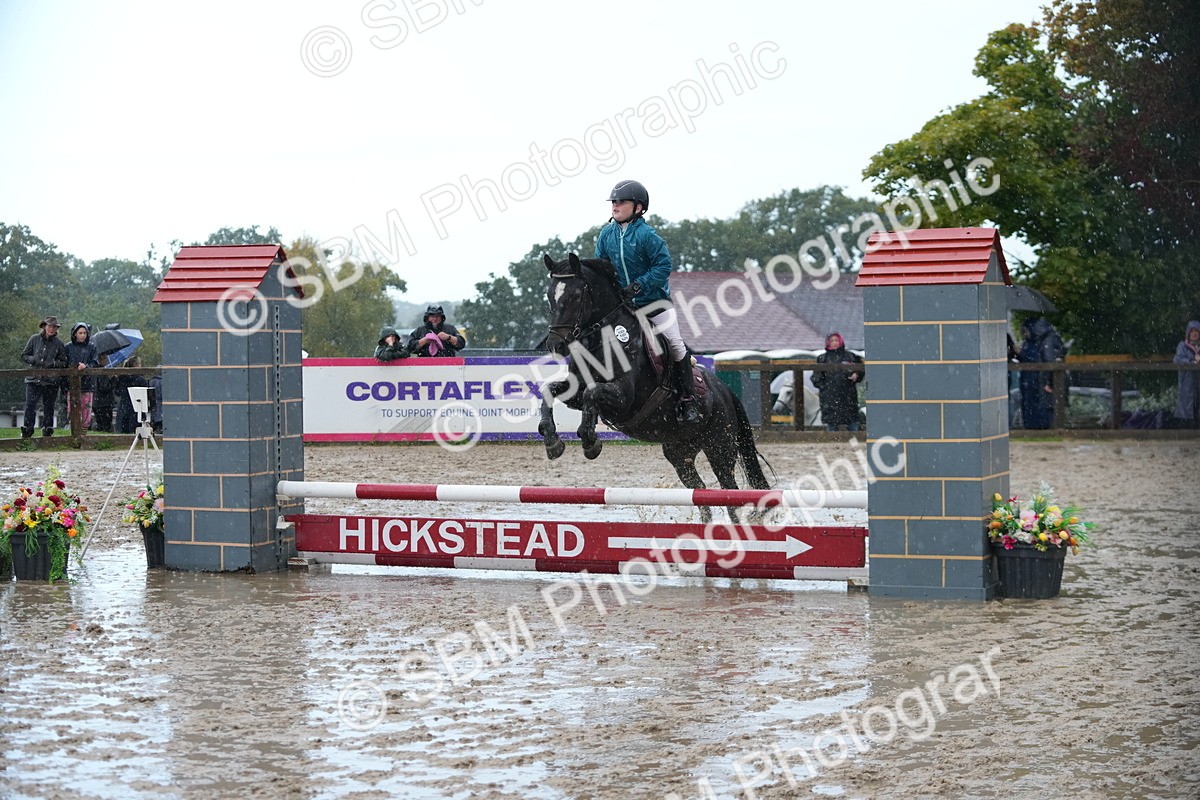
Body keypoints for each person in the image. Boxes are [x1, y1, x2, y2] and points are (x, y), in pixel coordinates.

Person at [594, 179, 699, 423]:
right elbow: (601, 267)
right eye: (614, 202)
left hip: (654, 303)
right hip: (624, 306)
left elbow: (664, 265)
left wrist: (640, 284)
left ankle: (687, 400)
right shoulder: (606, 235)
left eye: (621, 202)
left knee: (675, 344)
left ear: (638, 208)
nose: (615, 206)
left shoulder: (647, 235)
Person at [20, 316, 69, 438]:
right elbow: (24, 355)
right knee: (30, 404)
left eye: (54, 327)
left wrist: (52, 363)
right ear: (44, 326)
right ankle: (27, 428)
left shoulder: (59, 343)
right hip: (33, 378)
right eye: (49, 326)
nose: (51, 329)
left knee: (49, 406)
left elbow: (64, 362)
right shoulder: (34, 339)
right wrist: (33, 360)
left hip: (50, 380)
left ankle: (47, 429)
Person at [810, 332, 865, 432]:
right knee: (832, 425)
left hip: (848, 396)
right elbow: (816, 377)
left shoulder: (850, 356)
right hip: (830, 399)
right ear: (828, 343)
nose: (834, 343)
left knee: (852, 423)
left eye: (836, 340)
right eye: (832, 341)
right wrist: (826, 387)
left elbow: (861, 369)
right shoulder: (822, 358)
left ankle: (855, 444)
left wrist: (856, 375)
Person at [1017, 316, 1065, 429]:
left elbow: (1046, 359)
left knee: (1038, 405)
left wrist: (1048, 381)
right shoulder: (1034, 342)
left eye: (1025, 331)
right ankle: (1035, 426)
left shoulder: (1042, 342)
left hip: (1036, 380)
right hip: (1032, 380)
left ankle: (1038, 427)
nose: (1024, 334)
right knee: (1034, 404)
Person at [63, 322, 99, 431]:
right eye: (80, 333)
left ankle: (84, 431)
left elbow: (95, 363)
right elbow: (64, 364)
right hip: (72, 384)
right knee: (72, 410)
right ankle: (74, 432)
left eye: (84, 333)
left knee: (86, 410)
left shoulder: (92, 347)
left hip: (87, 384)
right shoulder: (68, 347)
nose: (83, 335)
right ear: (75, 334)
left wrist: (86, 366)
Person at [1173, 320, 1200, 427]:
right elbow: (1178, 359)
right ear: (1188, 333)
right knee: (1187, 408)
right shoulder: (1182, 346)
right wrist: (1193, 361)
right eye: (1192, 331)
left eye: (1197, 331)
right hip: (1187, 382)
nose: (1194, 333)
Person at [115, 355, 149, 434]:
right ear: (136, 365)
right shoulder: (140, 379)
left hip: (124, 406)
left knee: (123, 429)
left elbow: (117, 392)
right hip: (137, 406)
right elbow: (146, 394)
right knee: (135, 429)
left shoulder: (122, 378)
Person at [92, 353, 117, 433]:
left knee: (100, 423)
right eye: (105, 359)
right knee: (106, 425)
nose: (107, 360)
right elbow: (105, 387)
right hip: (104, 402)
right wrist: (113, 379)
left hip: (96, 401)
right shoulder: (102, 372)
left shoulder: (93, 370)